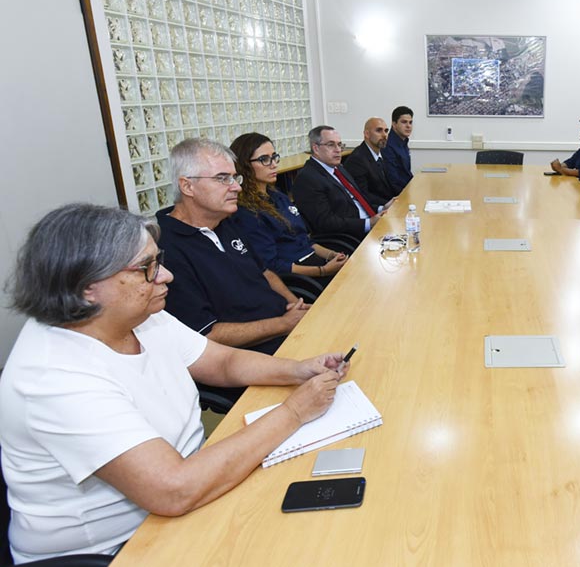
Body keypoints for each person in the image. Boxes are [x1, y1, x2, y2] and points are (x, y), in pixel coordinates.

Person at [0, 204, 347, 562]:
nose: (165, 276)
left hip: (192, 488)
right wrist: (294, 411)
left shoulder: (139, 314)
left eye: (158, 260)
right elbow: (173, 490)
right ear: (88, 288)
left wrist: (299, 370)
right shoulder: (54, 377)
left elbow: (222, 361)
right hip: (121, 547)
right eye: (146, 268)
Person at [157, 138, 307, 356]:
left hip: (287, 326)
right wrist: (284, 324)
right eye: (222, 179)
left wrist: (296, 306)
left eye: (234, 177)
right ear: (187, 186)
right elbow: (207, 335)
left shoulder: (225, 221)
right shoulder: (165, 249)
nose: (237, 187)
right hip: (255, 355)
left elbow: (264, 272)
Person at [228, 132, 348, 281]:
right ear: (244, 165)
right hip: (299, 278)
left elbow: (305, 240)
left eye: (274, 157)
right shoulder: (247, 212)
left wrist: (332, 255)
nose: (273, 164)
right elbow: (273, 266)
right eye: (264, 159)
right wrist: (322, 270)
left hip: (315, 262)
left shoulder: (278, 196)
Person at [292, 126, 387, 246]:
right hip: (351, 237)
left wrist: (381, 208)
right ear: (316, 148)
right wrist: (368, 223)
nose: (338, 150)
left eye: (339, 145)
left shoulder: (338, 168)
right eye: (331, 145)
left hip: (370, 226)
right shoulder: (307, 179)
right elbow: (325, 222)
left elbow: (358, 201)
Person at [344, 116, 397, 208]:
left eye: (386, 131)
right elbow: (362, 195)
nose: (384, 135)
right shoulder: (357, 159)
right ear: (367, 134)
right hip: (375, 210)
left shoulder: (381, 153)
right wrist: (390, 204)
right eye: (379, 130)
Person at [383, 105, 414, 194]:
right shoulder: (388, 145)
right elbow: (393, 181)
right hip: (398, 195)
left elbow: (406, 173)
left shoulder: (403, 142)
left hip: (406, 189)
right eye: (404, 122)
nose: (408, 126)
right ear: (394, 124)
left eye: (410, 122)